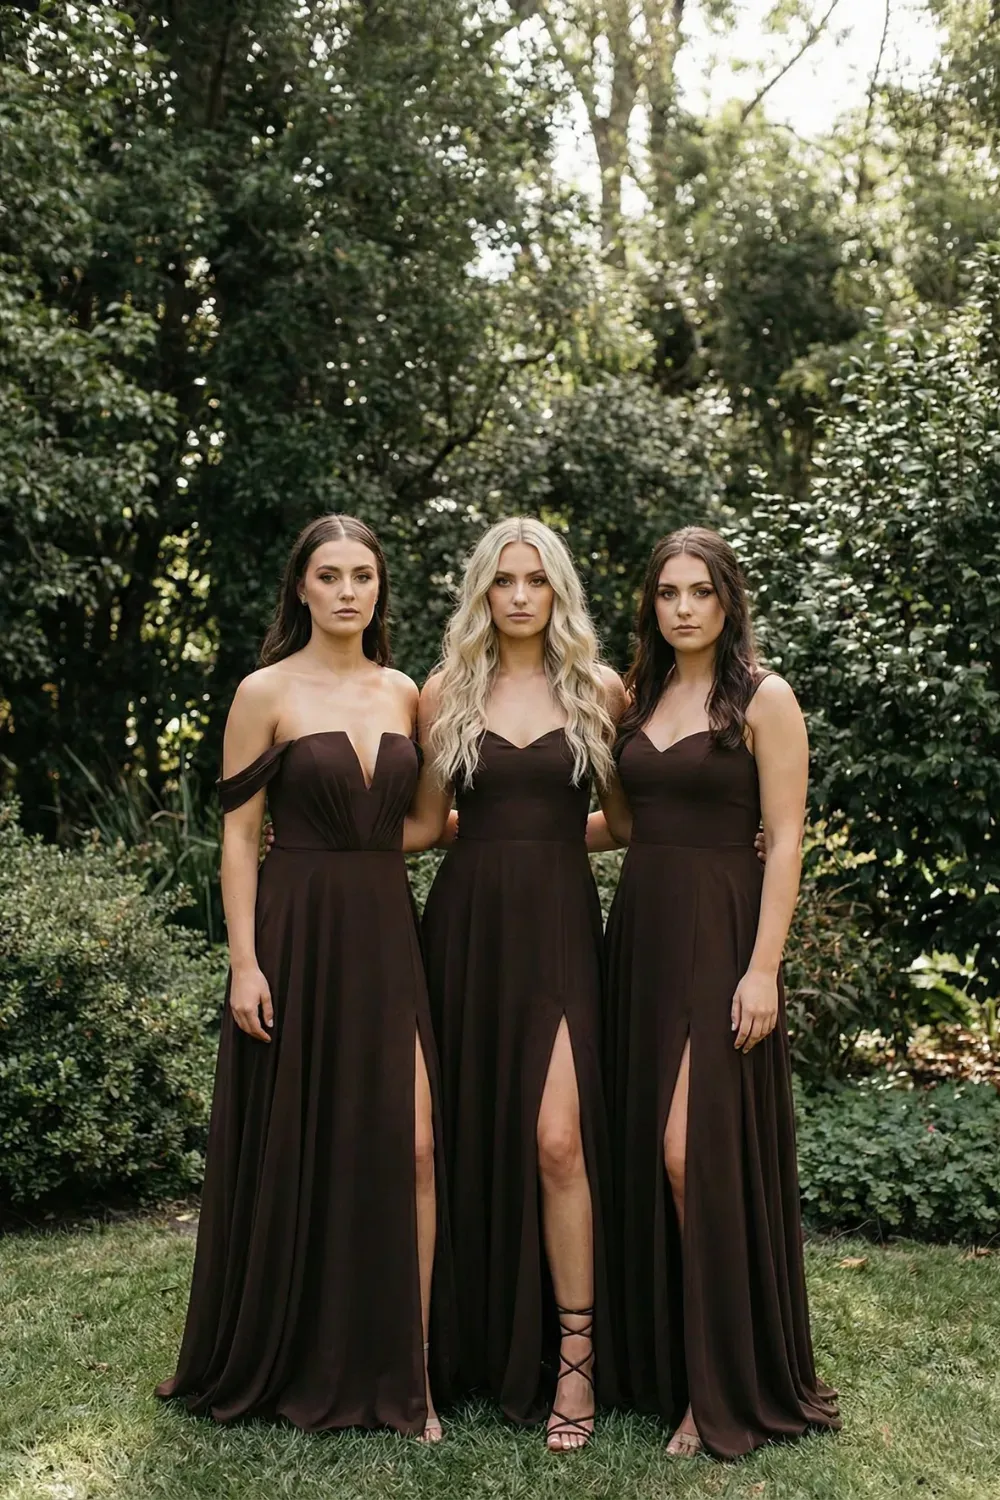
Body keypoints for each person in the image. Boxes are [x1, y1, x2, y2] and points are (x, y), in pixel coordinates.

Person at [156, 514, 454, 1441]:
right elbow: (238, 838)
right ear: (301, 589)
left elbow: (433, 821)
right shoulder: (263, 691)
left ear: (379, 590)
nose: (348, 591)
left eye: (364, 575)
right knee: (298, 1135)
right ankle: (292, 1348)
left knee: (412, 1145)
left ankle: (415, 1372)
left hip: (383, 925)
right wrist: (244, 960)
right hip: (293, 930)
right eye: (329, 575)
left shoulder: (408, 692)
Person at [599, 525, 841, 1459]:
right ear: (652, 606)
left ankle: (721, 1385)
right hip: (643, 935)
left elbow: (785, 839)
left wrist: (763, 966)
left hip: (724, 936)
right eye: (669, 593)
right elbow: (622, 822)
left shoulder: (765, 700)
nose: (685, 607)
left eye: (702, 591)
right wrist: (499, 828)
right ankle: (658, 1367)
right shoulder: (634, 696)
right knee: (643, 1149)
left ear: (729, 600)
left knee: (688, 1153)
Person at [410, 517, 623, 1451]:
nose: (523, 595)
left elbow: (627, 819)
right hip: (463, 929)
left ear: (559, 590)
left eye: (538, 579)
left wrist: (738, 839)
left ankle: (576, 1361)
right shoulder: (444, 689)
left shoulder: (600, 689)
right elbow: (420, 821)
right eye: (506, 580)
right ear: (483, 593)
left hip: (562, 931)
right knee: (461, 1134)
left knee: (558, 1139)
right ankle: (449, 1351)